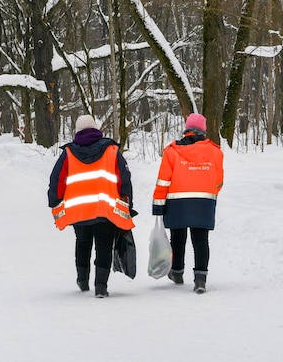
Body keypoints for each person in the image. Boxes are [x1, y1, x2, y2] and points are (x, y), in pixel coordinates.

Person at [48, 115, 137, 298]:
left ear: (77, 131)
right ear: (96, 129)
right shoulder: (111, 150)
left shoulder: (69, 153)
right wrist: (127, 203)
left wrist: (54, 200)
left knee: (82, 242)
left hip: (78, 210)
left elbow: (57, 180)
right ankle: (101, 286)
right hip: (105, 209)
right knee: (104, 244)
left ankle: (82, 280)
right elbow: (124, 179)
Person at [152, 113, 224, 294]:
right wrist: (208, 193)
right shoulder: (215, 152)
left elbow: (163, 181)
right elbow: (219, 181)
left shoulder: (172, 151)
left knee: (178, 237)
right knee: (200, 240)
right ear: (203, 130)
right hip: (204, 201)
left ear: (186, 130)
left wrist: (158, 206)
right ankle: (200, 279)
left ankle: (177, 272)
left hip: (177, 202)